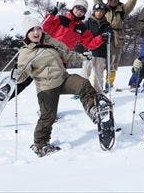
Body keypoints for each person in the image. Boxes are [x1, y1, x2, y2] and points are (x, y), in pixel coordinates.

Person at [14, 16, 98, 157]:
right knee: (48, 116)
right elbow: (22, 74)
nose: (36, 32)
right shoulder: (25, 52)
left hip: (63, 79)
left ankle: (94, 109)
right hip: (46, 87)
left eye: (38, 29)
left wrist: (83, 56)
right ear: (26, 34)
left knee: (83, 83)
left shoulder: (50, 41)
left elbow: (66, 54)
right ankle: (40, 144)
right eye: (31, 30)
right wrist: (17, 75)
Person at [94, 0, 139, 90]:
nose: (113, 1)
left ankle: (109, 83)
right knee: (100, 62)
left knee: (113, 64)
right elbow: (97, 0)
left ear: (118, 0)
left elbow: (131, 3)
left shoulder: (122, 10)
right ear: (108, 1)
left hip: (116, 39)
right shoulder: (103, 9)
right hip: (103, 37)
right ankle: (98, 84)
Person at [83, 3, 114, 93]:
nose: (99, 13)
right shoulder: (88, 23)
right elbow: (83, 36)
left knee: (99, 73)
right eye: (97, 11)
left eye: (101, 11)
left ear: (103, 13)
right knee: (85, 71)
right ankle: (82, 90)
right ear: (94, 12)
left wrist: (108, 36)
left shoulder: (107, 25)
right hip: (89, 52)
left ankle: (98, 91)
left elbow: (110, 37)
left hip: (101, 53)